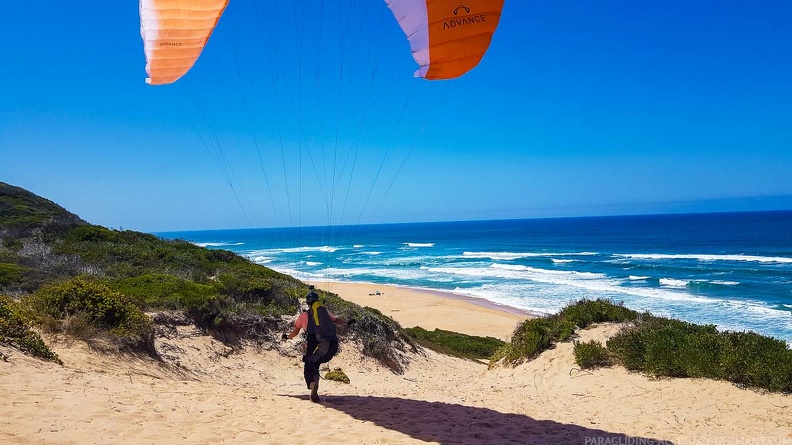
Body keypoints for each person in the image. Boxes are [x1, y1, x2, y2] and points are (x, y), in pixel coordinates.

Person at [282, 285, 355, 402]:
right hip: (333, 345)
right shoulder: (323, 311)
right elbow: (335, 320)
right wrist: (347, 323)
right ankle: (314, 391)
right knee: (315, 364)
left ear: (307, 303)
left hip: (320, 345)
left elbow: (295, 332)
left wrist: (286, 337)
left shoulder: (303, 316)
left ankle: (312, 386)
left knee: (309, 365)